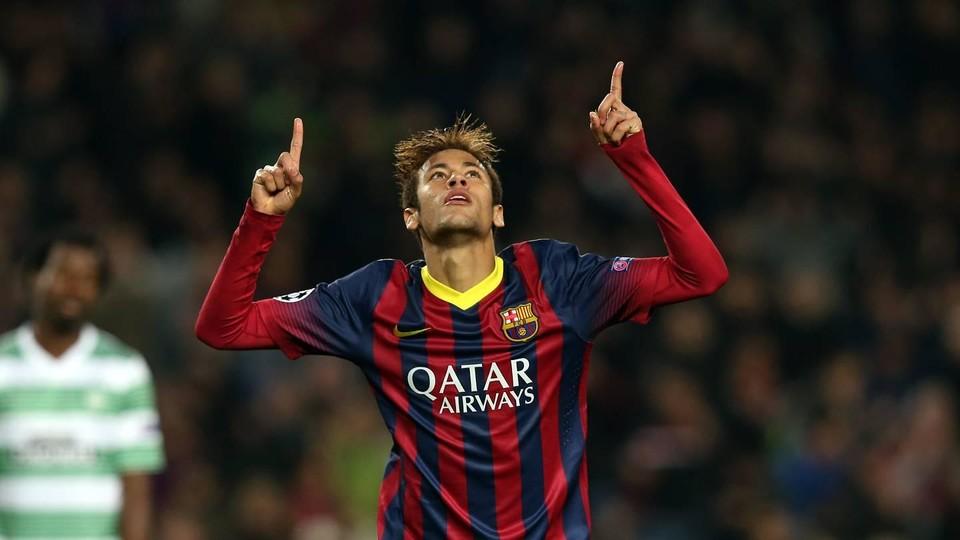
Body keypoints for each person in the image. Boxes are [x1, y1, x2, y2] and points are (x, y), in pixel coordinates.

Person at [196, 62, 728, 539]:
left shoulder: (555, 279)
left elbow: (701, 273)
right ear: (411, 216)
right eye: (438, 176)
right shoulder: (373, 298)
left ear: (497, 212)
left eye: (472, 174)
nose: (456, 179)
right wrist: (261, 220)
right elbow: (223, 327)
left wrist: (633, 157)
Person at [0, 231, 164, 540]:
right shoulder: (3, 366)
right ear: (34, 277)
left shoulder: (125, 370)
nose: (74, 288)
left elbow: (136, 486)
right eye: (63, 273)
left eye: (88, 278)